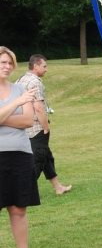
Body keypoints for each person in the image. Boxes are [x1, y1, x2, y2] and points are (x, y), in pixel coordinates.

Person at [0, 46, 40, 248]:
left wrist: (2, 116)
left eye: (9, 63)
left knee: (18, 209)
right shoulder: (20, 96)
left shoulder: (20, 89)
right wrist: (15, 104)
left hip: (20, 154)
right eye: (2, 62)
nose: (7, 66)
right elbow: (20, 114)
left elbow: (27, 121)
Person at [17, 55, 71, 195]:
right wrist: (45, 126)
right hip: (36, 128)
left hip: (23, 127)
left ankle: (58, 188)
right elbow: (39, 108)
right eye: (44, 66)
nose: (46, 69)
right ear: (35, 66)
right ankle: (21, 191)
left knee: (46, 156)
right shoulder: (36, 82)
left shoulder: (21, 80)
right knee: (38, 158)